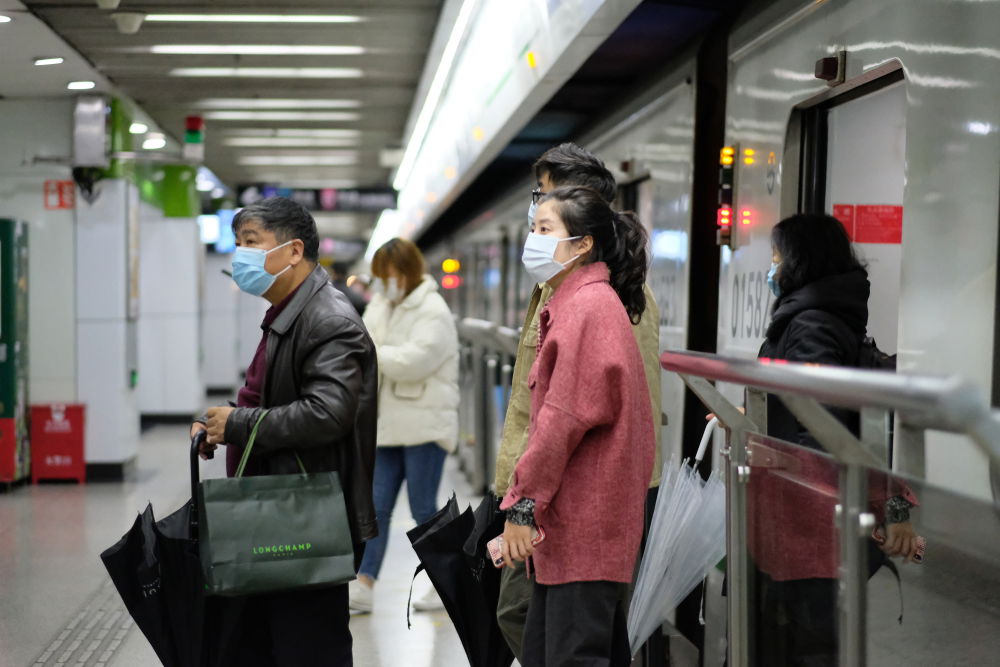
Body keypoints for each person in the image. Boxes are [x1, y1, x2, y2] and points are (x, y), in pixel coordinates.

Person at [190, 196, 378, 667]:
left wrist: (239, 423)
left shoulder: (328, 319)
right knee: (270, 645)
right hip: (280, 510)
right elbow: (273, 396)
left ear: (294, 251)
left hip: (307, 520)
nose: (240, 255)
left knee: (308, 649)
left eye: (251, 242)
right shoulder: (289, 312)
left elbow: (327, 413)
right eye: (237, 243)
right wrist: (225, 422)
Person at [493, 142, 663, 661]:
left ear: (582, 242)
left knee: (571, 650)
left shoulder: (589, 309)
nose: (533, 239)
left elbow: (561, 419)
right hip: (569, 513)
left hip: (581, 514)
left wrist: (523, 504)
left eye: (544, 228)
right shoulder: (576, 301)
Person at [752, 212, 920, 666]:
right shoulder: (823, 317)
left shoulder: (811, 324)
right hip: (812, 521)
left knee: (809, 643)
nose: (772, 266)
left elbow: (821, 428)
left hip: (810, 523)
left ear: (800, 260)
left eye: (776, 256)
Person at [348, 237, 460, 614]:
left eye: (389, 273)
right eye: (379, 275)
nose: (384, 282)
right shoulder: (381, 304)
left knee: (423, 508)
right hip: (387, 425)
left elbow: (416, 361)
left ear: (407, 272)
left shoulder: (432, 309)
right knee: (376, 507)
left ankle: (446, 582)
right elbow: (362, 343)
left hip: (425, 425)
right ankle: (365, 582)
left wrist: (373, 354)